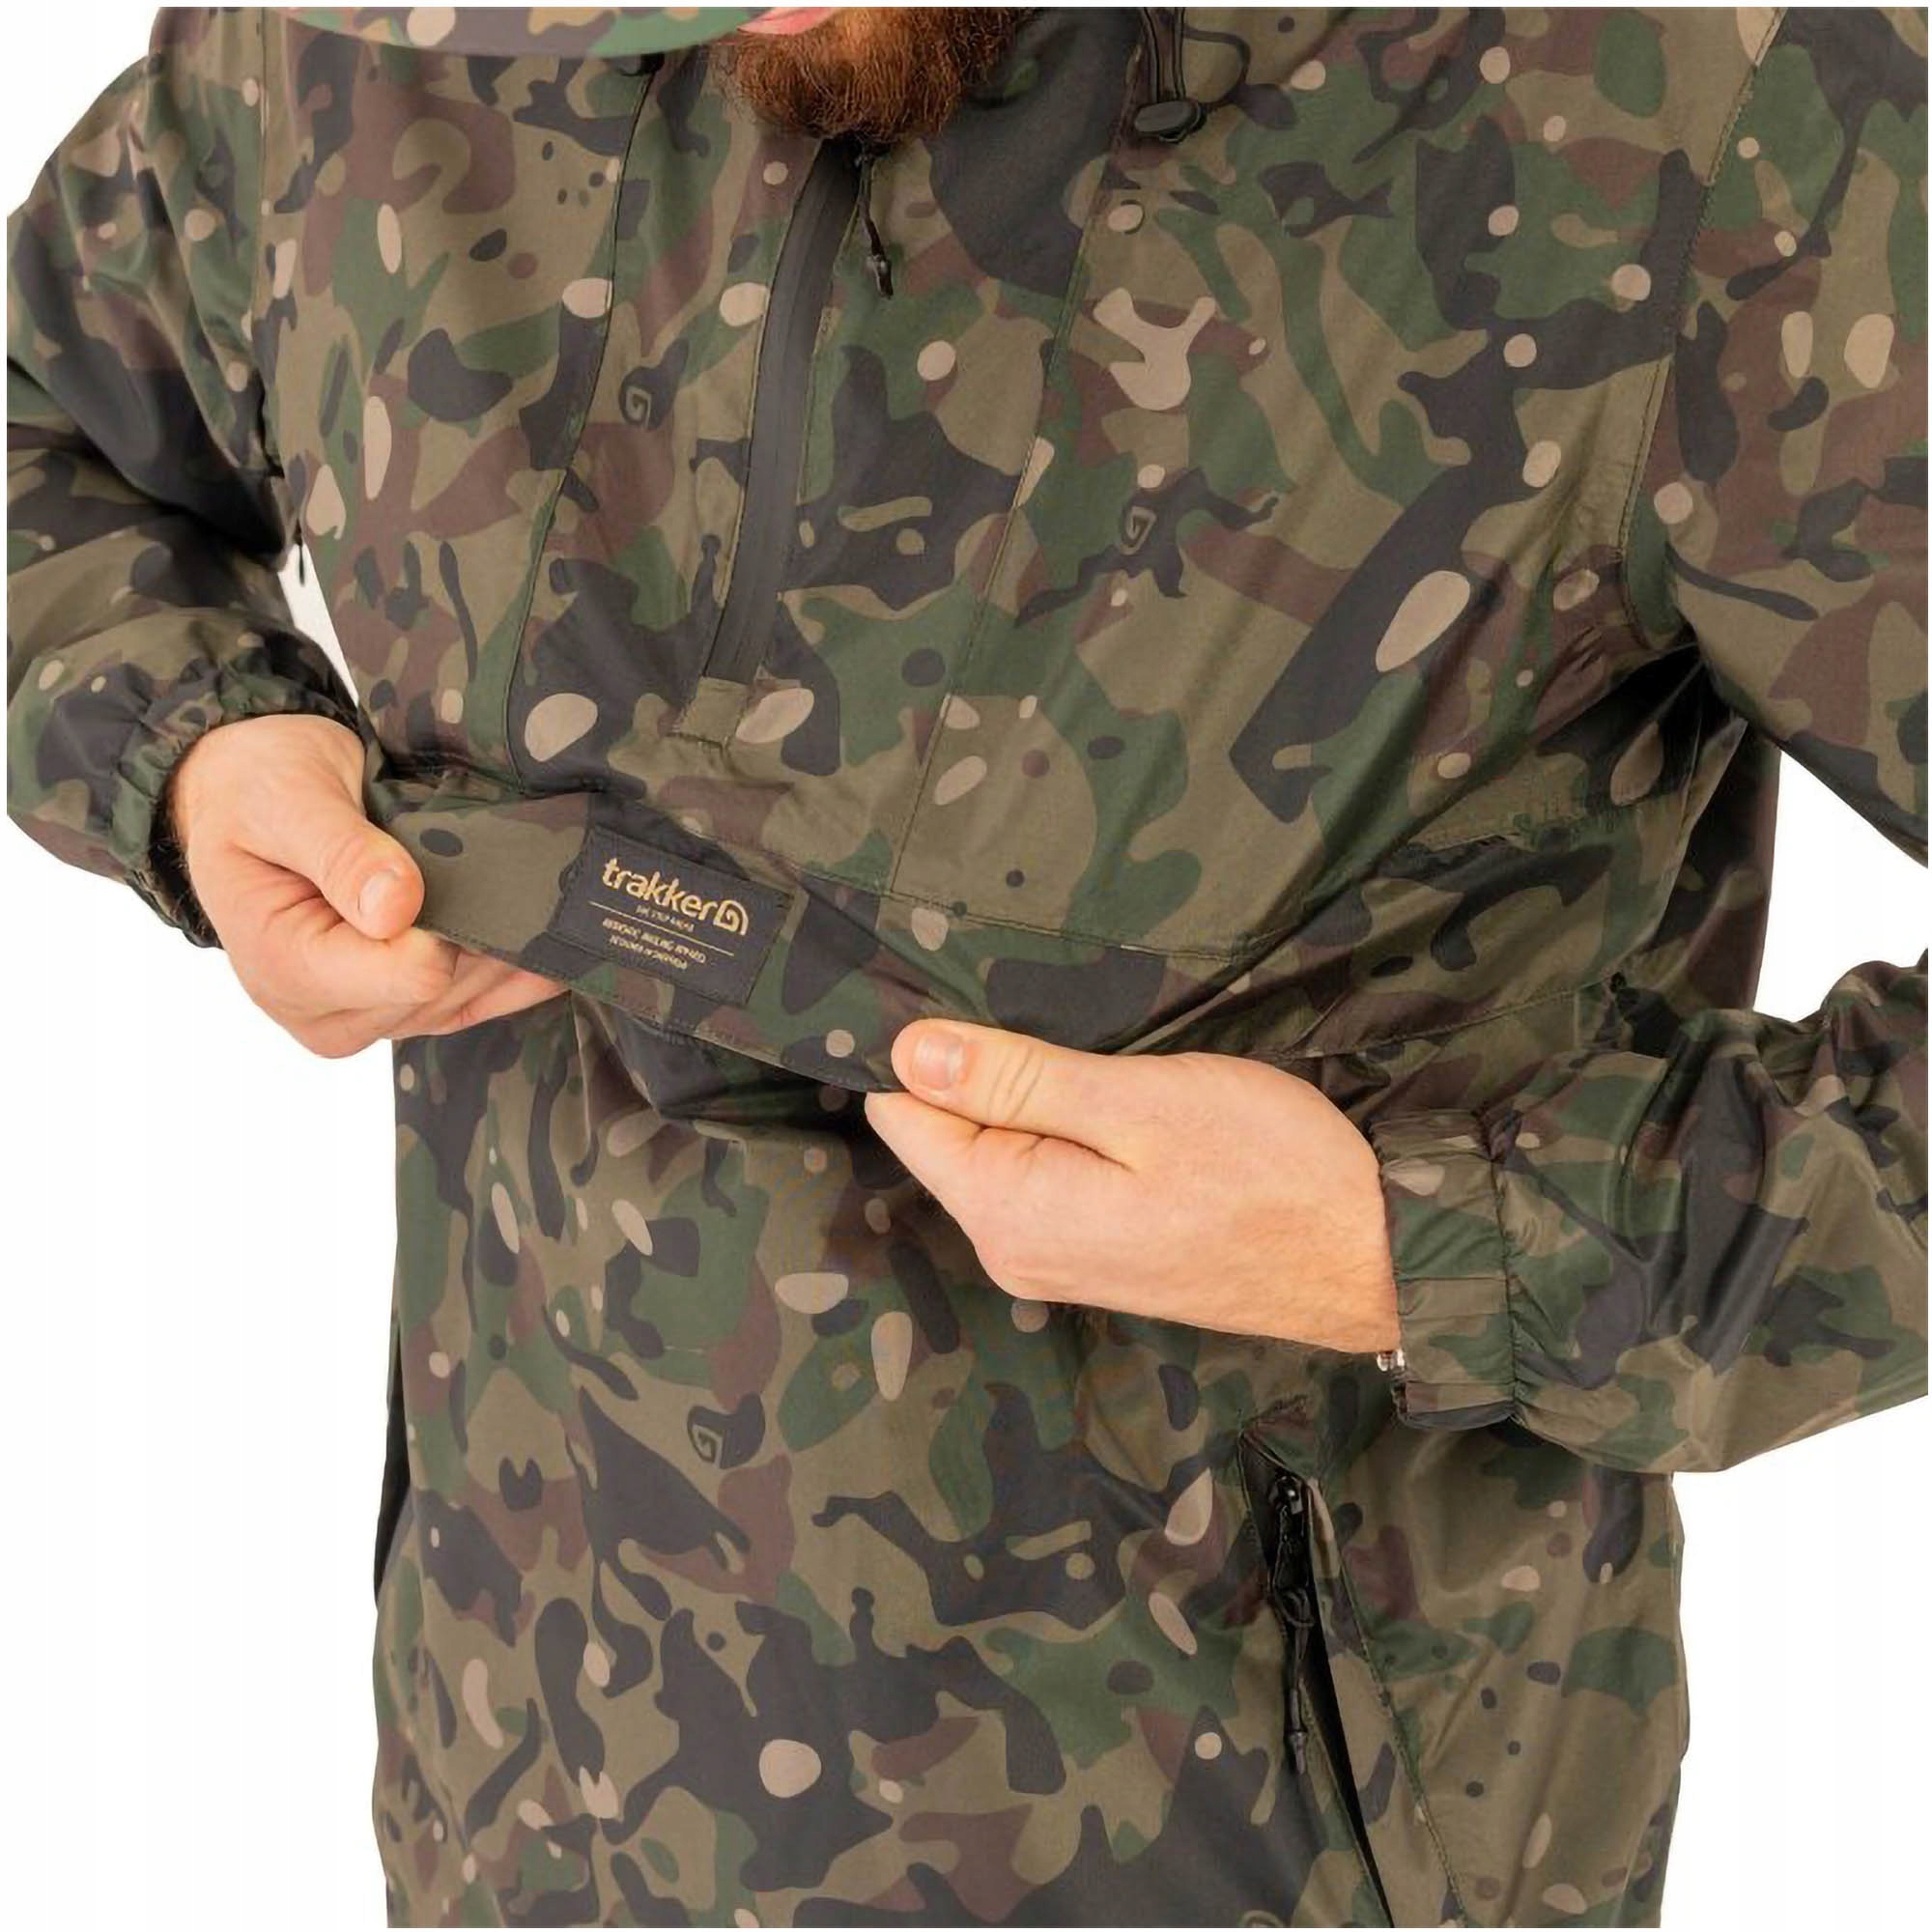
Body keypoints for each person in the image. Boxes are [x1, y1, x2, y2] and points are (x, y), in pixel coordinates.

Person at [7, 6, 1925, 1924]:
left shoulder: (1694, 106)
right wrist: (189, 754)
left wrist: (1437, 1242)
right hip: (517, 1808)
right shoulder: (365, 44)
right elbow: (44, 414)